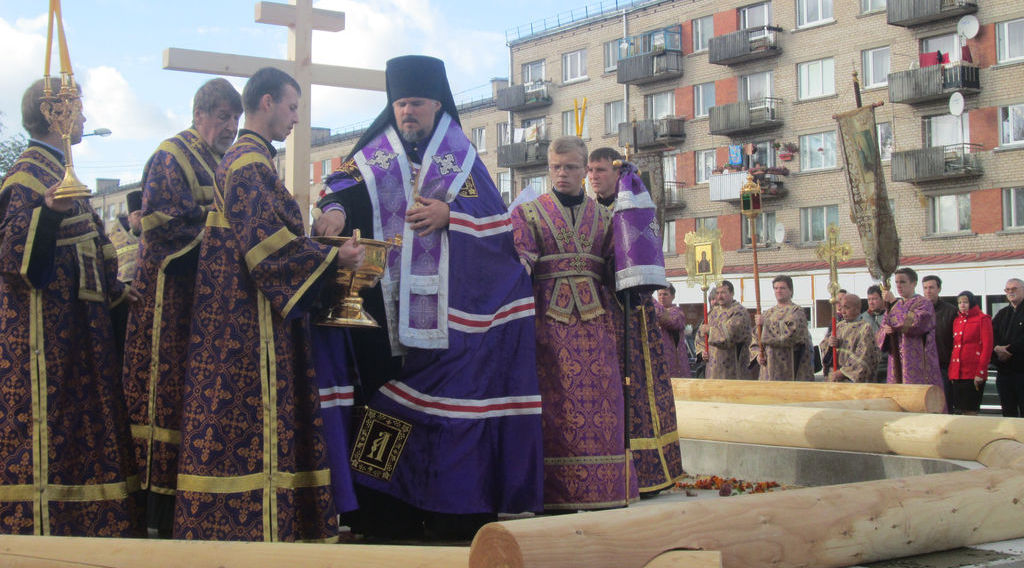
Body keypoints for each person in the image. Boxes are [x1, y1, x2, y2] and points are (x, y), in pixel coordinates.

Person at [316, 55, 543, 538]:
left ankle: (449, 512)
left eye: (415, 103)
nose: (406, 112)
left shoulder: (460, 159)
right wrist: (334, 210)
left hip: (445, 319)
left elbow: (497, 228)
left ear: (437, 104)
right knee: (378, 405)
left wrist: (450, 217)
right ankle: (381, 514)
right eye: (400, 104)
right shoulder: (374, 154)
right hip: (378, 311)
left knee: (441, 415)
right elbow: (338, 190)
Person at [175, 67, 360, 541]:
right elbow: (268, 249)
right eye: (292, 107)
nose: (297, 118)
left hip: (249, 319)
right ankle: (254, 535)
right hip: (247, 329)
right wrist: (334, 257)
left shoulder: (253, 161)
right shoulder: (249, 165)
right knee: (247, 430)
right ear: (266, 103)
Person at [0, 78, 141, 536]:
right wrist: (47, 213)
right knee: (53, 441)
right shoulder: (27, 176)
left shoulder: (60, 173)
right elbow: (14, 260)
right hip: (48, 348)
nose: (83, 118)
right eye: (76, 109)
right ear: (54, 115)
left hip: (84, 343)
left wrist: (118, 292)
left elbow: (90, 253)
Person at [120, 77, 242, 537]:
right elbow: (162, 226)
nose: (230, 127)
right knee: (163, 395)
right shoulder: (172, 155)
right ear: (198, 115)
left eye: (235, 118)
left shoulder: (221, 161)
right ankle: (154, 506)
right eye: (222, 117)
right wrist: (227, 238)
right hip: (166, 301)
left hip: (203, 300)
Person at [512, 135, 637, 510]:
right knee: (554, 405)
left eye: (570, 167)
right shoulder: (528, 213)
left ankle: (605, 488)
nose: (562, 173)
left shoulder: (607, 216)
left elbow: (620, 268)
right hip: (547, 325)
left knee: (603, 401)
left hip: (599, 325)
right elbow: (519, 262)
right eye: (555, 167)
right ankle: (552, 492)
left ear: (584, 169)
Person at [587, 146, 683, 497]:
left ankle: (646, 471)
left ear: (617, 173)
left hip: (630, 314)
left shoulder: (633, 207)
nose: (593, 176)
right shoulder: (588, 211)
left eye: (600, 170)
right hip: (598, 312)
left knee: (638, 389)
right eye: (590, 170)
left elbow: (644, 262)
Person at [876, 268, 944, 399]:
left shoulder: (924, 303)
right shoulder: (894, 305)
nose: (899, 286)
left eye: (903, 282)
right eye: (896, 282)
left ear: (914, 283)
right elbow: (881, 333)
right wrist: (886, 331)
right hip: (895, 361)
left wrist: (894, 303)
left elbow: (914, 324)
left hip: (917, 362)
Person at [752, 275, 813, 381]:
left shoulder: (796, 311)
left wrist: (766, 323)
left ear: (790, 290)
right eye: (776, 288)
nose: (778, 291)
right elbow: (755, 337)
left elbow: (791, 334)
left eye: (782, 288)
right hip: (768, 369)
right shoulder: (768, 313)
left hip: (789, 367)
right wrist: (758, 354)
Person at [947, 291, 992, 415]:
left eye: (965, 302)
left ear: (971, 302)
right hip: (957, 373)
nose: (962, 305)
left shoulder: (983, 319)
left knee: (970, 410)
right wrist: (952, 373)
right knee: (959, 410)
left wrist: (980, 372)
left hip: (973, 373)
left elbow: (987, 347)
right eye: (959, 302)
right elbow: (955, 347)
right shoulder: (957, 321)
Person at [699, 280, 753, 380]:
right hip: (712, 367)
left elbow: (730, 335)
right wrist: (703, 351)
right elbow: (700, 336)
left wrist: (710, 330)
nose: (719, 296)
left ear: (732, 293)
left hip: (732, 367)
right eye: (717, 293)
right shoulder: (712, 312)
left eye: (723, 292)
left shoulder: (739, 312)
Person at [822, 294, 878, 383]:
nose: (843, 311)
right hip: (834, 376)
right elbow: (824, 345)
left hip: (851, 380)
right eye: (842, 308)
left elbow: (864, 356)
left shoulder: (865, 328)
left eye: (847, 308)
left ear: (857, 309)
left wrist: (843, 372)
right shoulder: (839, 326)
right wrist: (829, 344)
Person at [923, 275, 957, 412]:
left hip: (943, 366)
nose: (928, 291)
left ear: (939, 289)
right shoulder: (918, 310)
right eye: (925, 288)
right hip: (923, 367)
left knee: (944, 405)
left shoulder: (951, 311)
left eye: (931, 287)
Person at [993, 278, 1024, 417]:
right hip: (1004, 372)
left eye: (1014, 289)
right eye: (1008, 289)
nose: (1011, 292)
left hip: (1021, 371)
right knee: (1008, 412)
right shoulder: (1002, 313)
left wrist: (1008, 350)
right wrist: (996, 348)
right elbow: (991, 334)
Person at [656, 285, 692, 379]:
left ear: (673, 296)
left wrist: (651, 301)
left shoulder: (677, 313)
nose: (662, 297)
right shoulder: (653, 312)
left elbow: (669, 321)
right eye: (659, 294)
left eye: (665, 294)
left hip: (673, 364)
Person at [859, 285, 889, 382]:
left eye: (875, 299)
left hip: (887, 362)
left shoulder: (889, 315)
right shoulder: (863, 318)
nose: (871, 302)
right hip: (870, 363)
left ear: (882, 299)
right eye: (869, 299)